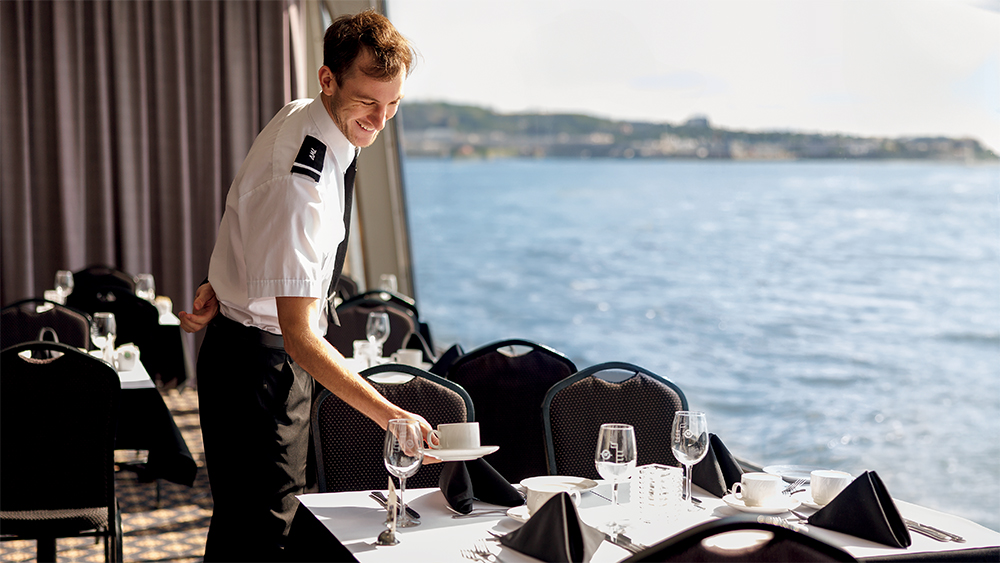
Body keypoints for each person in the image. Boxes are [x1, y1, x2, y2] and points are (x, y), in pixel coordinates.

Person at [179, 11, 433, 561]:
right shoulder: (302, 185)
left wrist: (222, 279)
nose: (380, 119)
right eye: (368, 100)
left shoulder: (310, 118)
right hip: (260, 370)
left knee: (248, 528)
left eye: (393, 104)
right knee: (264, 534)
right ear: (328, 79)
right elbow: (297, 336)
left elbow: (245, 212)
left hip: (251, 349)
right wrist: (392, 416)